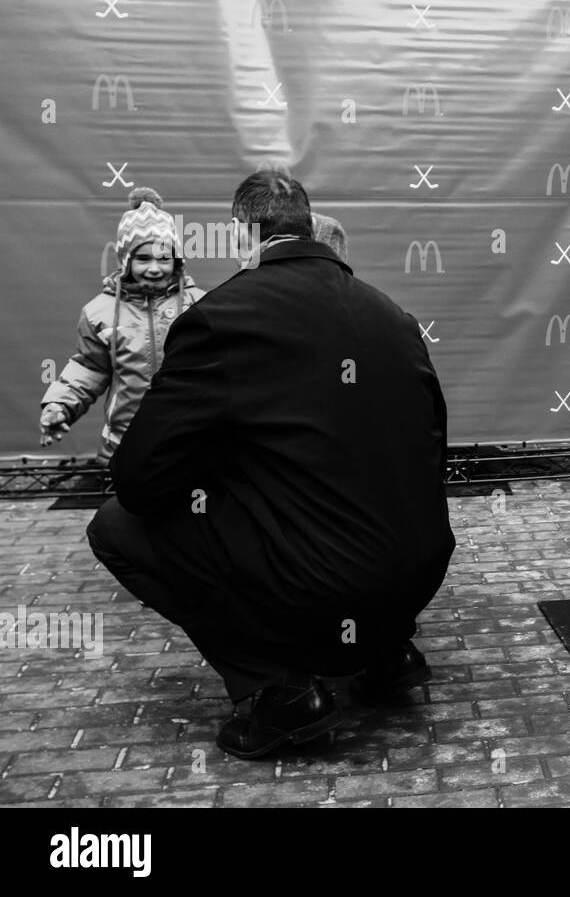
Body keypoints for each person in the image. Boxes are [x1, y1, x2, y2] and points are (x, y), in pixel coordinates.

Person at [86, 170, 457, 759]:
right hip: (419, 571)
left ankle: (281, 692)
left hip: (324, 583)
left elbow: (138, 480)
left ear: (242, 235)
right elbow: (429, 450)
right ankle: (383, 651)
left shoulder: (220, 317)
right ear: (308, 226)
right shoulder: (395, 317)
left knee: (114, 526)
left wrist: (211, 475)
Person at [39, 189, 204, 460]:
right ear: (126, 261)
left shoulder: (199, 305)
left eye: (164, 258)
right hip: (124, 446)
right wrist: (60, 404)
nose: (154, 268)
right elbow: (88, 367)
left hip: (188, 443)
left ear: (176, 260)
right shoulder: (99, 313)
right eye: (142, 259)